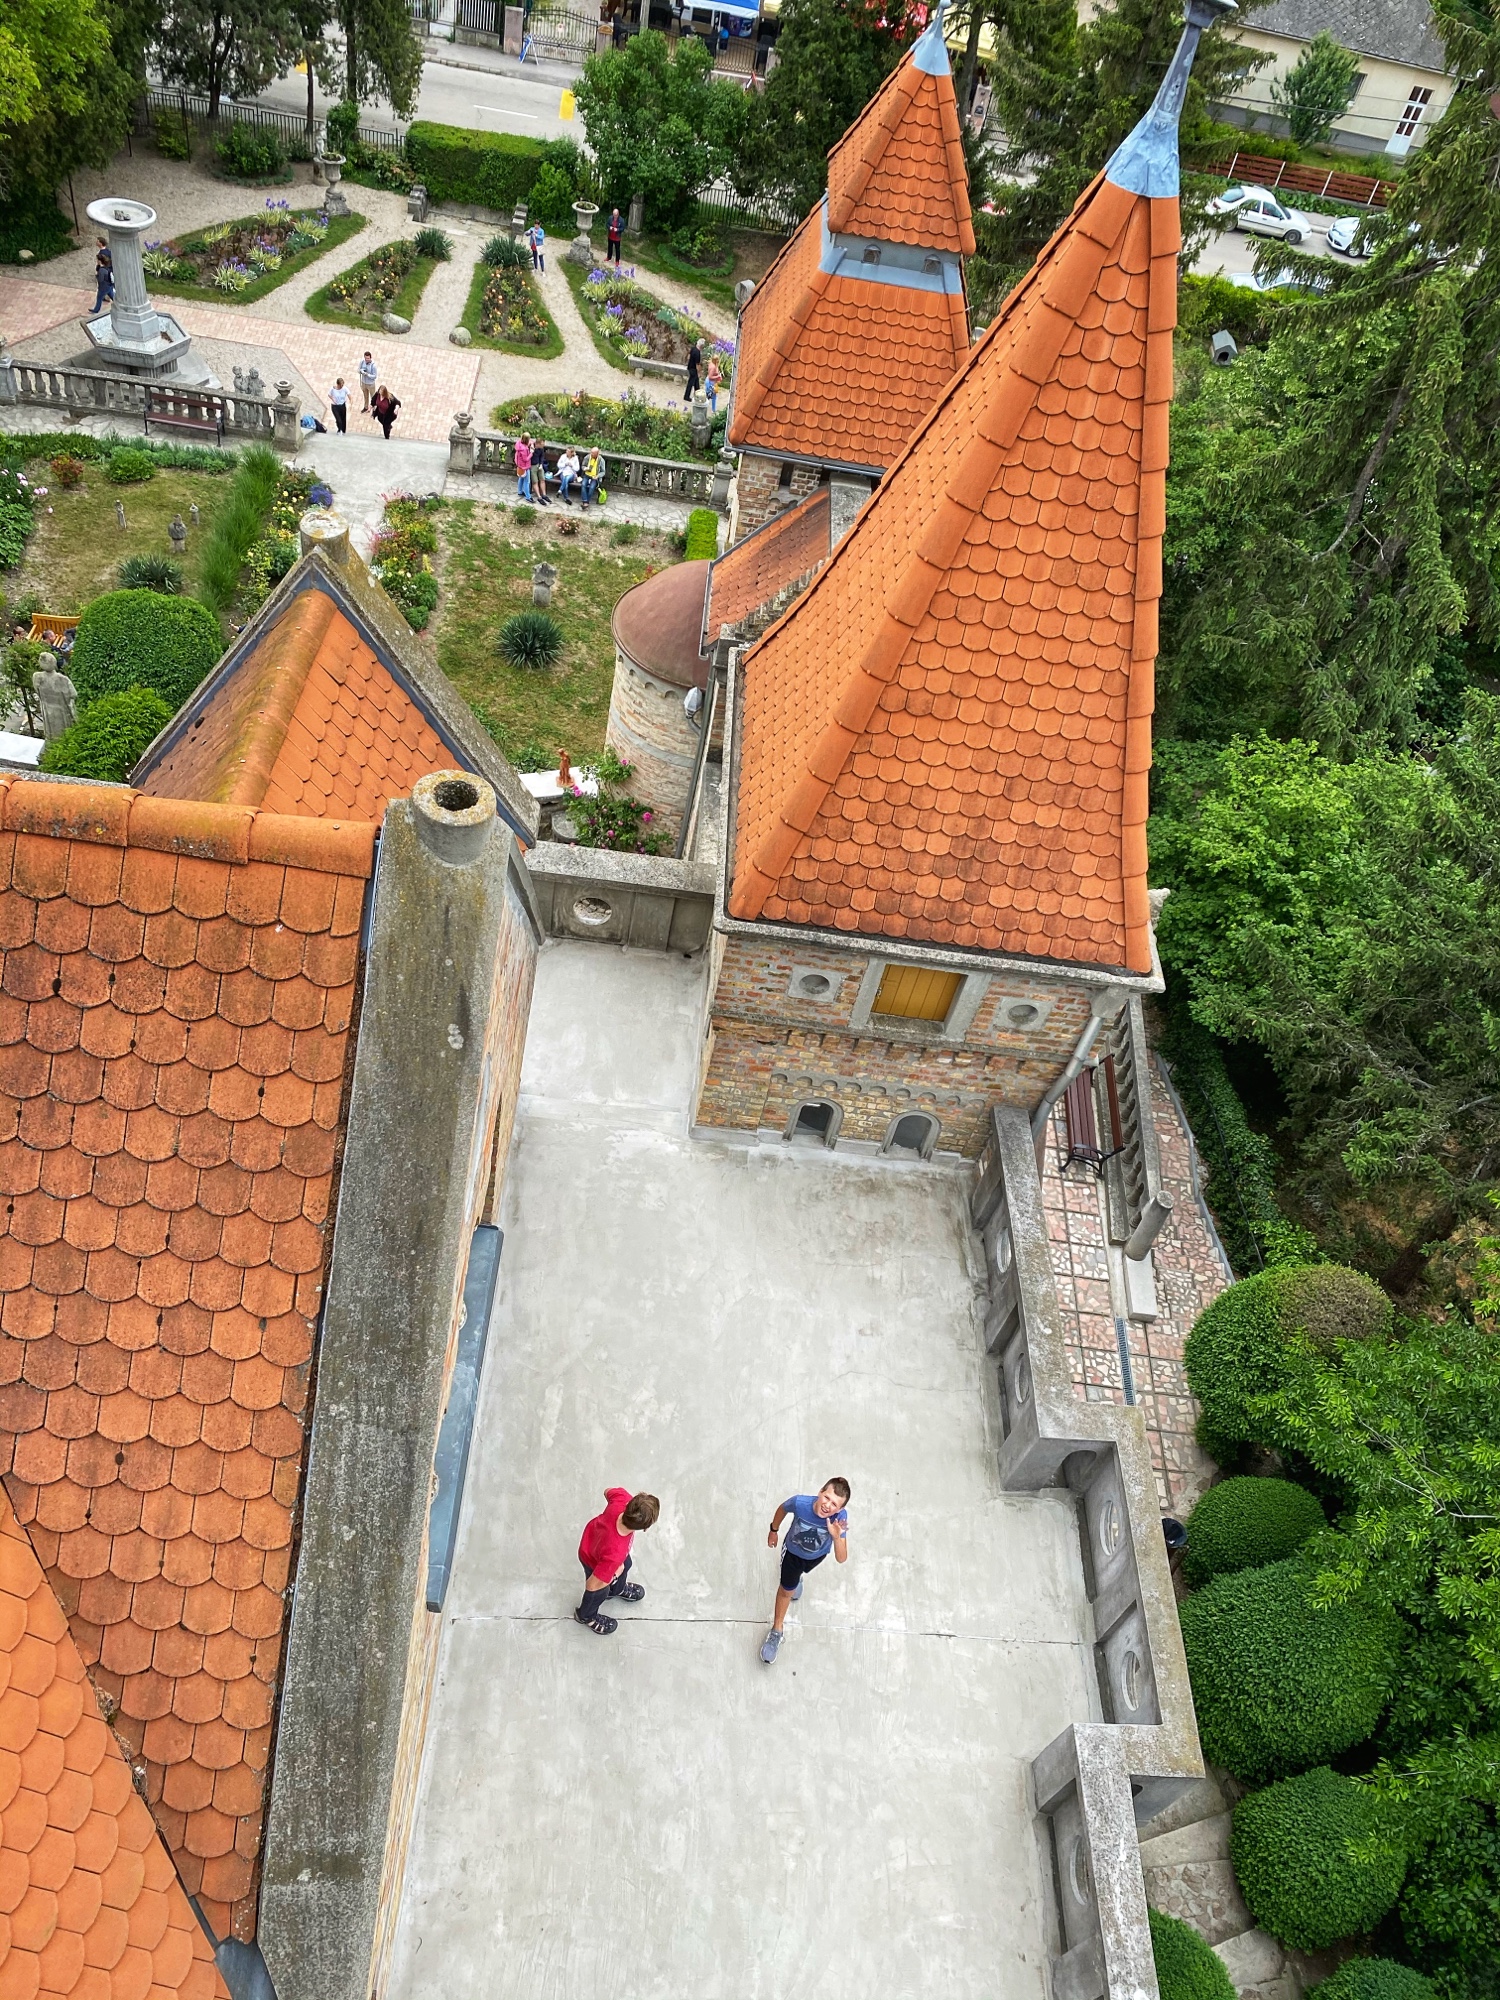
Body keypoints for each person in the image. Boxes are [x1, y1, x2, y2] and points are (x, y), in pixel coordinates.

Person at [760, 1477, 850, 1664]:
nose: (828, 1505)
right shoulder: (800, 1503)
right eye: (826, 1497)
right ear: (820, 1492)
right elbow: (782, 1509)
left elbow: (841, 1558)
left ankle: (797, 1578)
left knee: (797, 1579)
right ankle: (777, 1630)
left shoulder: (840, 1518)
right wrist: (773, 1530)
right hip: (792, 1555)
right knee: (786, 1591)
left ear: (840, 1509)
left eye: (834, 1504)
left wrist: (836, 1536)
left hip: (817, 1556)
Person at [577, 1488, 660, 1636]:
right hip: (593, 1560)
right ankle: (585, 1615)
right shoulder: (614, 1554)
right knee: (599, 1592)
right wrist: (614, 1575)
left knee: (626, 1564)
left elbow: (607, 1491)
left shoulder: (621, 1498)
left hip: (592, 1542)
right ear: (645, 1528)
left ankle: (616, 1590)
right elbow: (591, 1585)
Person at [92, 240, 114, 315]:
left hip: (103, 287)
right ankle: (118, 303)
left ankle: (96, 310)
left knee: (99, 298)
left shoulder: (101, 270)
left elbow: (101, 280)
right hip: (109, 285)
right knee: (111, 294)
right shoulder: (107, 267)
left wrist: (97, 276)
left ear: (100, 261)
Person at [581, 444, 606, 510]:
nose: (591, 454)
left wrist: (597, 476)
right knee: (583, 485)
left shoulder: (601, 460)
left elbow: (603, 472)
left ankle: (586, 502)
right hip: (587, 475)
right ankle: (585, 502)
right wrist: (584, 468)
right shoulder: (587, 457)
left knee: (592, 488)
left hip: (595, 477)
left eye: (593, 453)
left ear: (597, 454)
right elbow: (583, 466)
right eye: (591, 452)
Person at [515, 431, 534, 501]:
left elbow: (530, 442)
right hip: (525, 467)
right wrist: (531, 453)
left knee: (521, 478)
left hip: (519, 466)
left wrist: (531, 443)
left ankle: (520, 491)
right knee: (527, 481)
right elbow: (525, 459)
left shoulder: (519, 443)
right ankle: (528, 496)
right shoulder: (524, 449)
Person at [684, 336, 702, 403]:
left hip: (690, 367)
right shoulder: (698, 353)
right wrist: (699, 372)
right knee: (690, 383)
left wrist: (689, 362)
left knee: (696, 383)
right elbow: (697, 364)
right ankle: (686, 396)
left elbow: (688, 356)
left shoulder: (693, 348)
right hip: (693, 370)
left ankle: (698, 396)